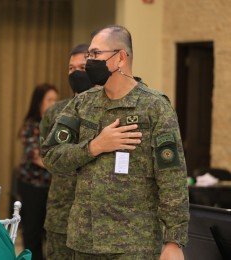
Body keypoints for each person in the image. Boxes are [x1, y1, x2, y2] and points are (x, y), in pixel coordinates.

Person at [41, 25, 189, 259]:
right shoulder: (83, 104)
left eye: (96, 54)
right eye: (89, 54)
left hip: (134, 243)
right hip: (84, 240)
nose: (90, 61)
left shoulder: (154, 107)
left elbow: (172, 177)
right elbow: (51, 156)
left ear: (120, 57)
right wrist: (94, 147)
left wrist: (174, 240)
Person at [39, 43, 93, 260]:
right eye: (71, 68)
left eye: (82, 67)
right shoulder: (55, 113)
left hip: (98, 220)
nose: (76, 73)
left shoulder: (111, 111)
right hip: (61, 213)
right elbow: (48, 157)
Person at [17, 83, 58, 260]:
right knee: (32, 233)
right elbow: (37, 156)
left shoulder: (59, 125)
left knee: (50, 233)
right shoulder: (32, 125)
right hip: (33, 186)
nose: (53, 104)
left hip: (54, 187)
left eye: (56, 100)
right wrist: (62, 166)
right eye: (49, 100)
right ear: (39, 103)